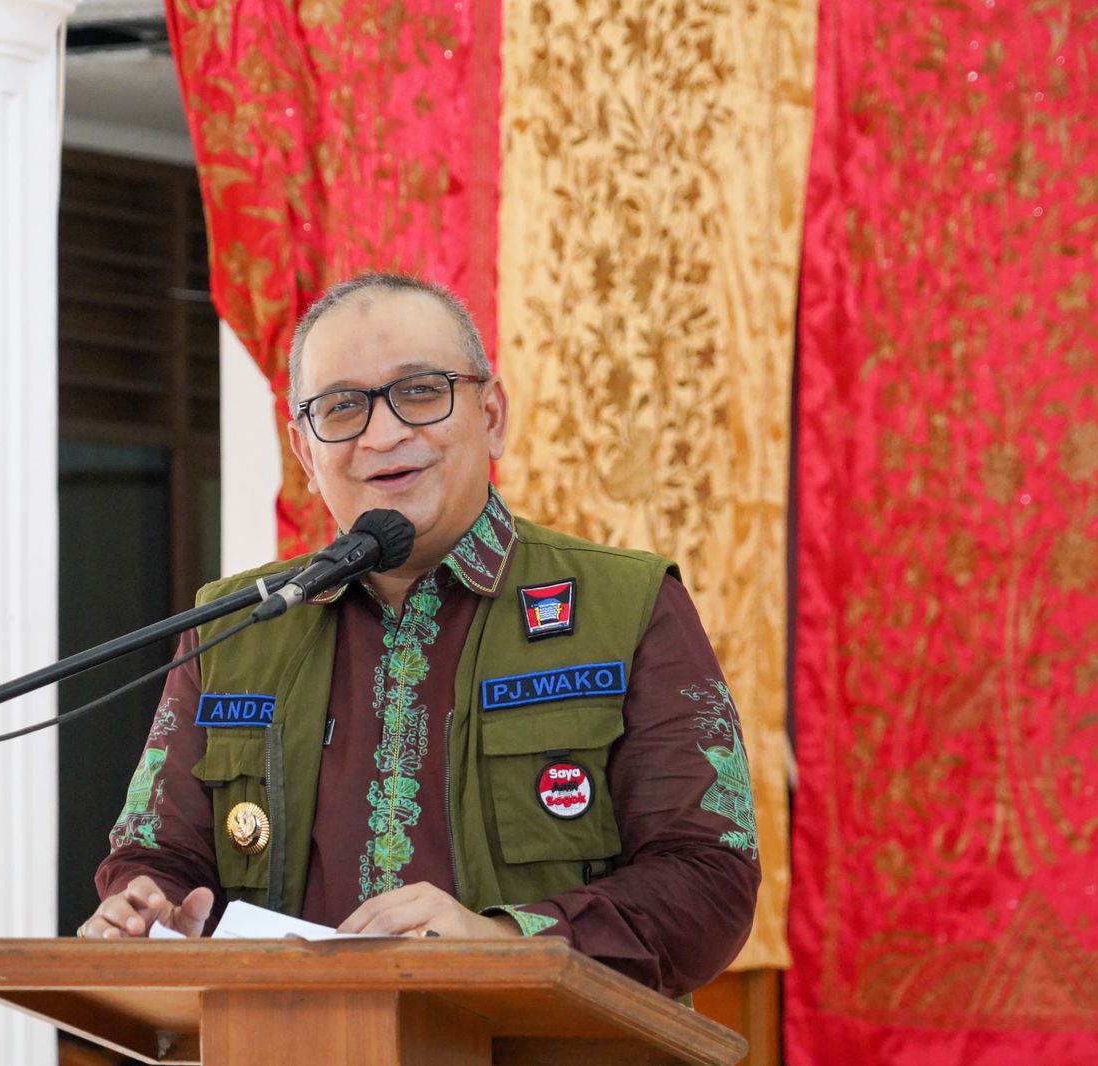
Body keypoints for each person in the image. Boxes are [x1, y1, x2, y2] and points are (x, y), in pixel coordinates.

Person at [83, 273, 760, 998]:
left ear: (492, 415)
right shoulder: (235, 627)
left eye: (421, 391)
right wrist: (145, 908)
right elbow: (157, 856)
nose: (383, 434)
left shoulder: (626, 605)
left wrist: (503, 943)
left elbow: (708, 881)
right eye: (343, 406)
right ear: (306, 452)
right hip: (287, 1039)